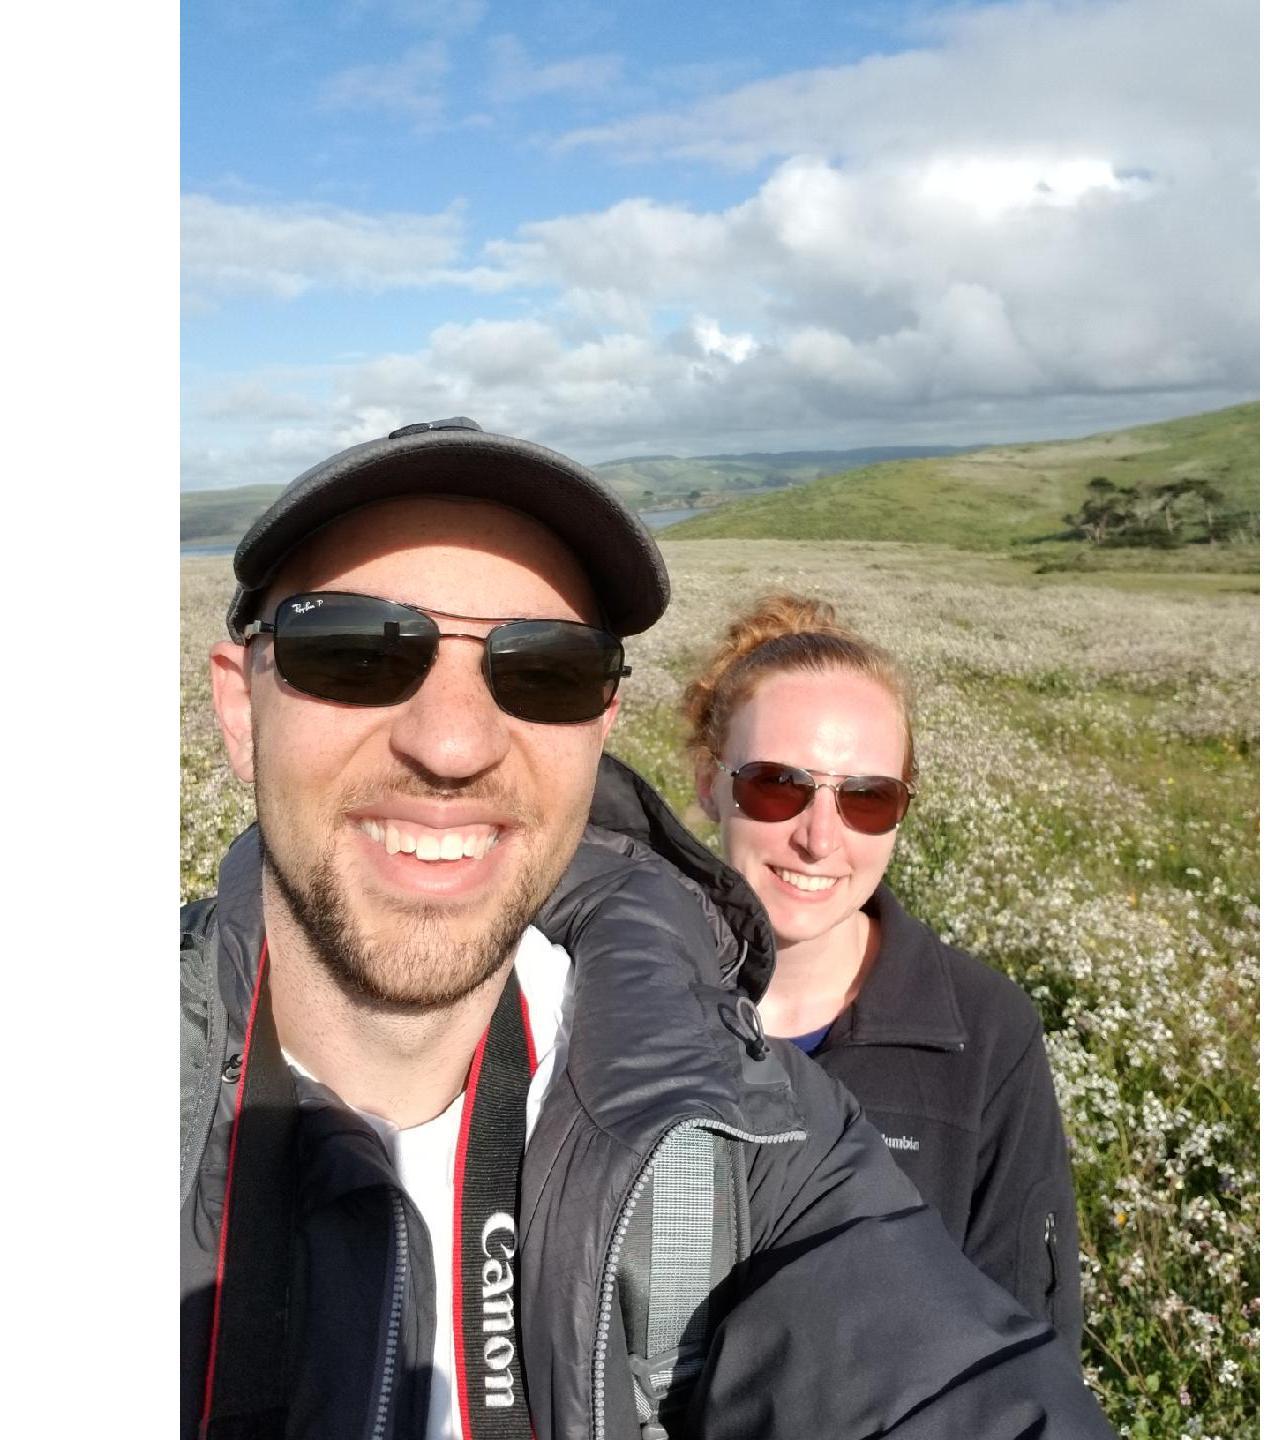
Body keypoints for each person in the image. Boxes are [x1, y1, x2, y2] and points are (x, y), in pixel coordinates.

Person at [181, 417, 1116, 1440]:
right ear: (239, 705)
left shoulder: (745, 1133)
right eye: (353, 650)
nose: (451, 742)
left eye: (545, 671)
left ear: (600, 727)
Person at [683, 593, 1085, 1356]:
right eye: (777, 784)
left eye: (867, 798)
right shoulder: (608, 993)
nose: (818, 837)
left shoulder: (985, 1032)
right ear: (712, 783)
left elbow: (1025, 1351)